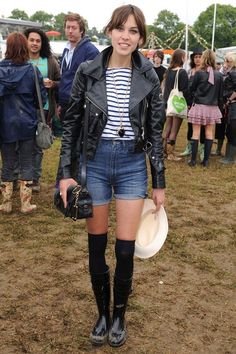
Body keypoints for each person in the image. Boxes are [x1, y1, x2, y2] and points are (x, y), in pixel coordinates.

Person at [58, 4, 166, 347]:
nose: (126, 36)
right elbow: (72, 125)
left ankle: (119, 314)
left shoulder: (149, 75)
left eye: (134, 31)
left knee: (124, 249)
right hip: (96, 163)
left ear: (140, 38)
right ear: (110, 31)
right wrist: (65, 174)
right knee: (96, 246)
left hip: (133, 163)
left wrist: (159, 181)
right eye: (121, 28)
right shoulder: (88, 70)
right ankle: (102, 314)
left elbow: (155, 132)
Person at [0, 32, 46, 213]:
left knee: (8, 162)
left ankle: (6, 203)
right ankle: (25, 204)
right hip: (27, 123)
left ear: (8, 48)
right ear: (24, 47)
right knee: (27, 162)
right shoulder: (32, 71)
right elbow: (40, 99)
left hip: (5, 124)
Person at [24, 27, 61, 192]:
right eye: (31, 40)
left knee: (37, 145)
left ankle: (34, 180)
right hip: (22, 109)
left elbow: (61, 81)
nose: (34, 43)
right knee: (22, 144)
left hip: (43, 109)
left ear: (42, 43)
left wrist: (52, 84)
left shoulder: (50, 60)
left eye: (38, 41)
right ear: (25, 41)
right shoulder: (20, 59)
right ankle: (21, 178)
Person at [58, 13, 99, 125]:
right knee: (66, 138)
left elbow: (94, 82)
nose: (70, 31)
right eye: (68, 27)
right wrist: (61, 103)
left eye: (74, 28)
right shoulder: (66, 49)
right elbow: (65, 77)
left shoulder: (91, 51)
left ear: (81, 30)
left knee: (78, 140)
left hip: (80, 106)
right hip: (66, 103)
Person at [188, 49, 223, 167]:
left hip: (199, 105)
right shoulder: (219, 75)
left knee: (196, 132)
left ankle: (193, 160)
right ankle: (206, 161)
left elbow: (191, 89)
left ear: (203, 58)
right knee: (209, 133)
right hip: (212, 107)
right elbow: (220, 94)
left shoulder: (199, 73)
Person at [162, 48, 189, 160]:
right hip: (177, 103)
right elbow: (185, 89)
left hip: (168, 102)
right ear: (182, 58)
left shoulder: (168, 71)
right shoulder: (181, 72)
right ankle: (170, 154)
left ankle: (162, 151)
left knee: (167, 127)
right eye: (185, 56)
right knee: (174, 129)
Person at [180, 48, 206, 161]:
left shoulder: (207, 71)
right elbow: (187, 89)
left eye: (200, 56)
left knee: (204, 127)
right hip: (191, 103)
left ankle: (203, 149)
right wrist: (188, 103)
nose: (197, 59)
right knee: (191, 126)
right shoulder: (190, 71)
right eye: (195, 57)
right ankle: (189, 147)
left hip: (204, 103)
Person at [219, 52, 236, 164]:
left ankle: (229, 158)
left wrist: (229, 100)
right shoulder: (232, 73)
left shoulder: (233, 74)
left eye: (228, 61)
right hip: (232, 105)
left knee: (231, 130)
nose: (226, 63)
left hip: (233, 106)